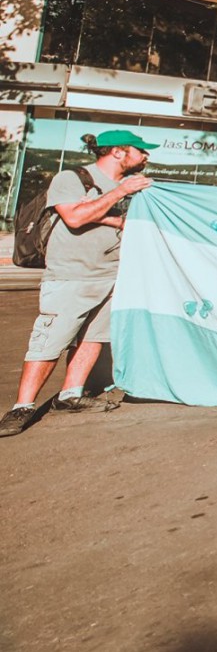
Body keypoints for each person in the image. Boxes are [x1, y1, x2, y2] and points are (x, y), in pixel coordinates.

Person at [1, 130, 158, 438]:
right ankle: (22, 406)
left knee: (93, 337)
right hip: (71, 274)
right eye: (140, 151)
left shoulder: (133, 188)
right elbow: (74, 218)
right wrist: (115, 196)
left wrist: (105, 213)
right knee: (50, 340)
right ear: (118, 152)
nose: (145, 157)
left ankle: (70, 393)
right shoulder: (72, 179)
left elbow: (114, 220)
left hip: (112, 273)